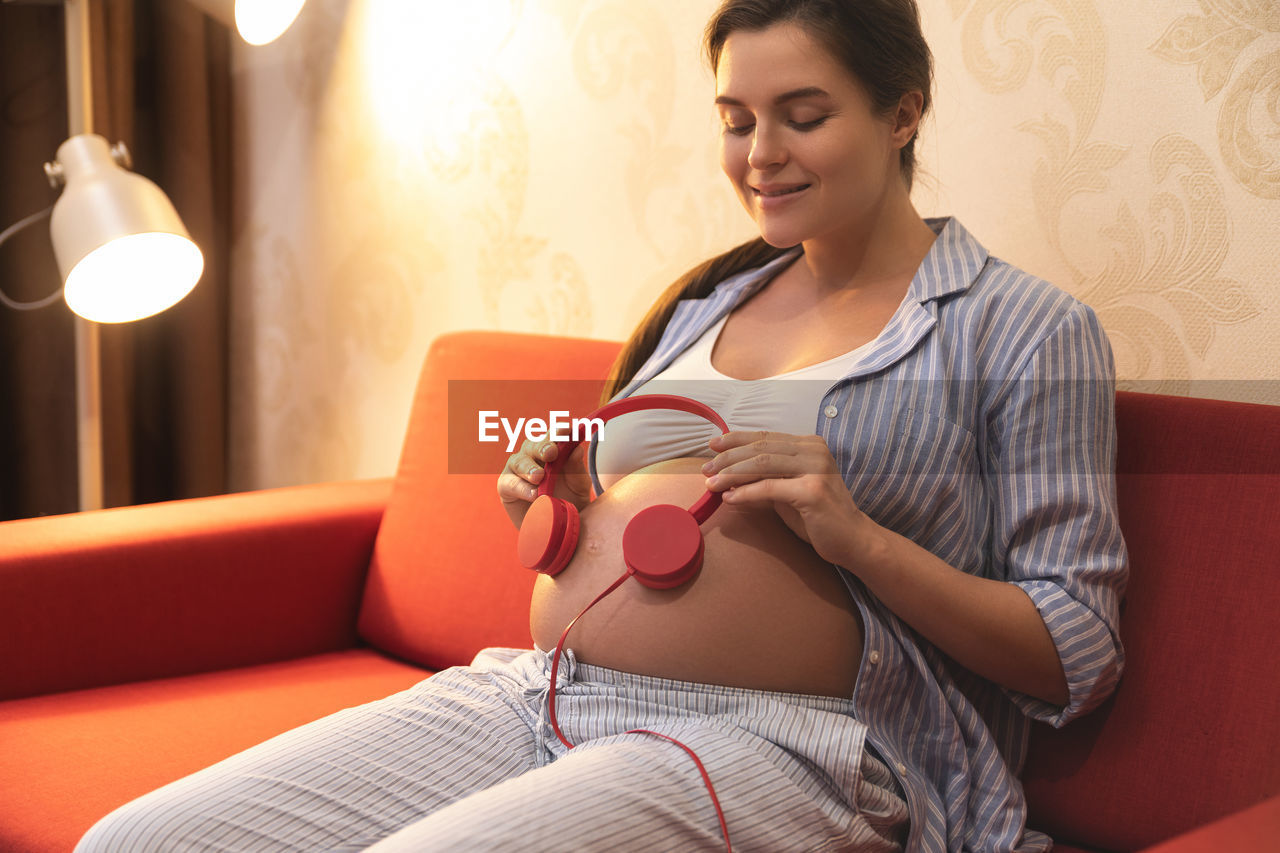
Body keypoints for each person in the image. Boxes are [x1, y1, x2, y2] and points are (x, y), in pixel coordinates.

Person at [76, 1, 1126, 851]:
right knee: (136, 837)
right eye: (734, 118)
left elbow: (1074, 657)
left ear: (902, 114)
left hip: (795, 745)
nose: (758, 154)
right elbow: (632, 507)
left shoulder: (1023, 330)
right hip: (543, 691)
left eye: (802, 115)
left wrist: (856, 539)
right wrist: (565, 496)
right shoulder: (701, 303)